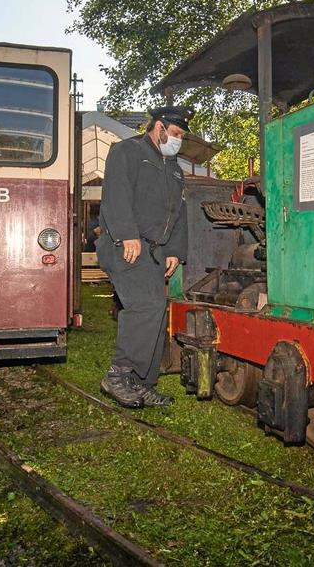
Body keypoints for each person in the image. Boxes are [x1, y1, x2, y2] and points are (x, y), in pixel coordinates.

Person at [96, 106, 192, 409]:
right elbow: (116, 194)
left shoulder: (174, 168)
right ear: (160, 126)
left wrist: (175, 250)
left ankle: (142, 384)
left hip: (155, 250)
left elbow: (179, 211)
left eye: (182, 137)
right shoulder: (128, 151)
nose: (178, 141)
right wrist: (127, 234)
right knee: (145, 306)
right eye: (175, 134)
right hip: (125, 244)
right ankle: (118, 374)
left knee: (157, 311)